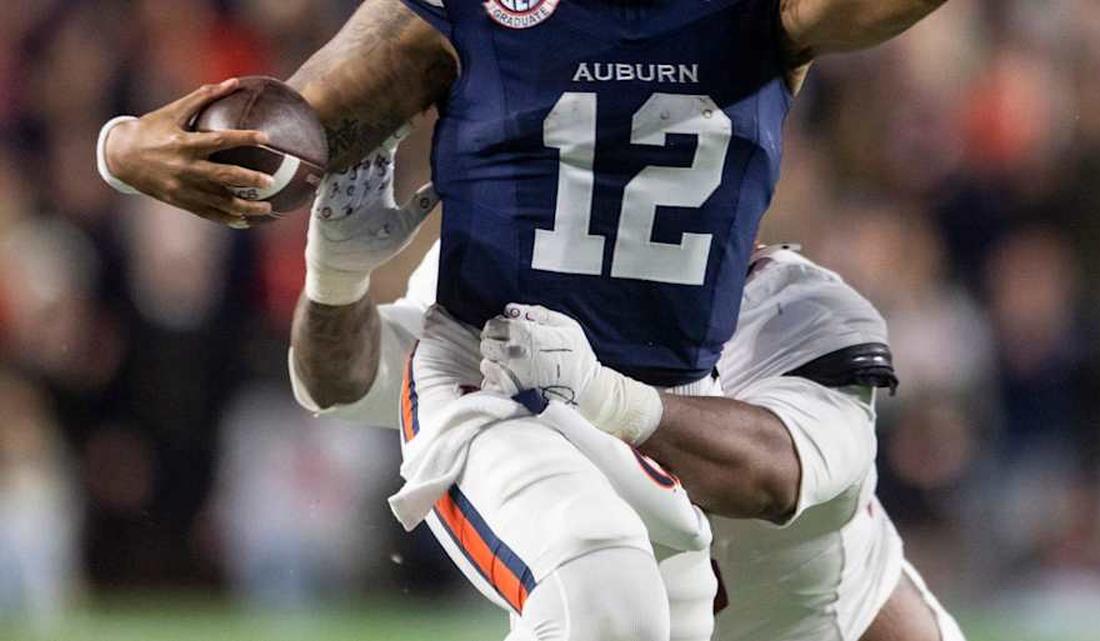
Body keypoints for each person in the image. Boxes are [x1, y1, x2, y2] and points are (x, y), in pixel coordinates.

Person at [96, 1, 952, 639]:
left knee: (640, 602)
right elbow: (337, 373)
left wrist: (605, 395)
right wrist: (331, 266)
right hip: (497, 393)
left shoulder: (806, 318)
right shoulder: (516, 285)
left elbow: (772, 474)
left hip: (757, 565)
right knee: (600, 577)